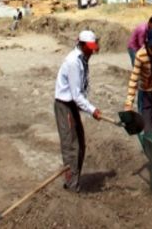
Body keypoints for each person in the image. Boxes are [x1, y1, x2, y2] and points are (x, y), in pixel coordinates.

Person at [53, 30, 102, 193]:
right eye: (89, 48)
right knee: (71, 147)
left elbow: (81, 90)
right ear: (81, 45)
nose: (92, 52)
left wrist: (88, 108)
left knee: (80, 144)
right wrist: (92, 110)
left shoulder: (82, 59)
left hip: (73, 105)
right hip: (65, 105)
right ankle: (72, 187)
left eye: (93, 48)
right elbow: (76, 94)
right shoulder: (73, 62)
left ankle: (74, 180)